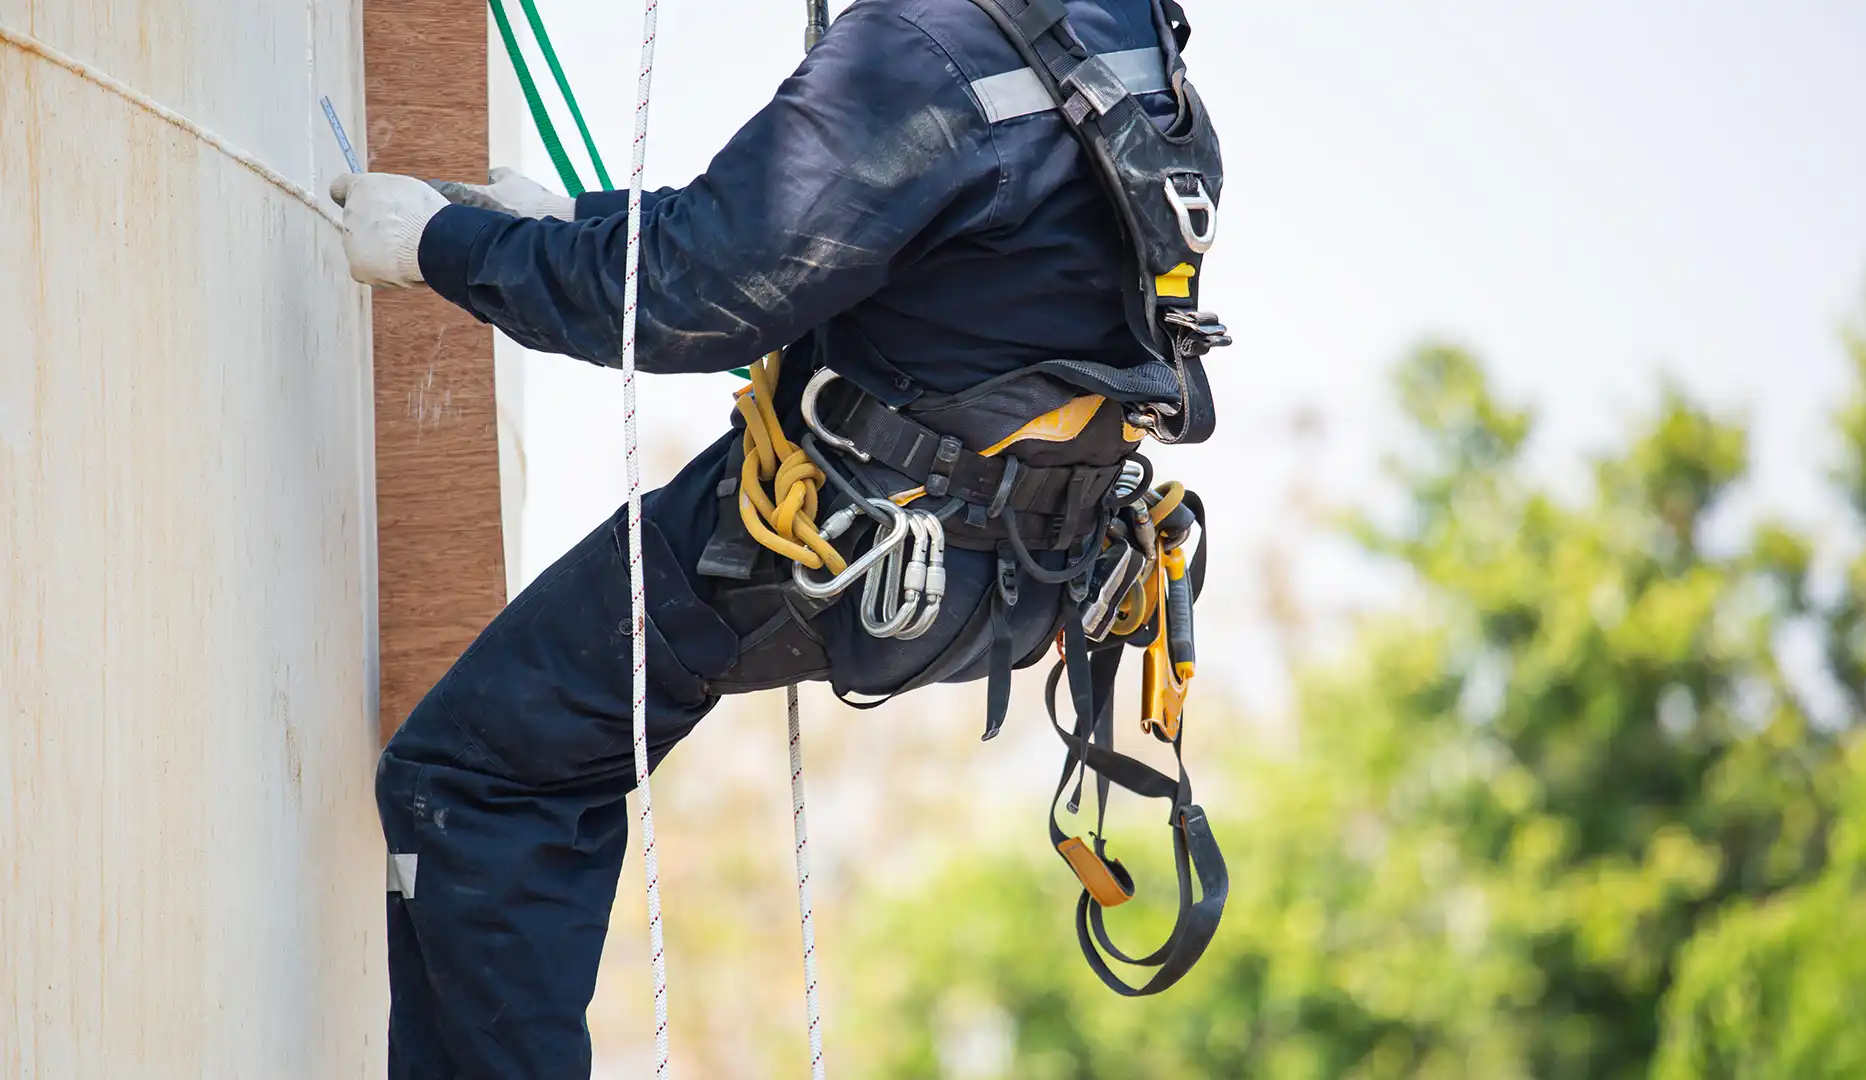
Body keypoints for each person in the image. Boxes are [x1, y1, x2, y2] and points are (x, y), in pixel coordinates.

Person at [331, 0, 1226, 1076]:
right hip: (1015, 565)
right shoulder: (1126, 38)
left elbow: (684, 298)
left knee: (479, 780)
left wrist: (443, 247)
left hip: (845, 537)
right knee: (507, 762)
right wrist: (571, 217)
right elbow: (836, 233)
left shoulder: (923, 46)